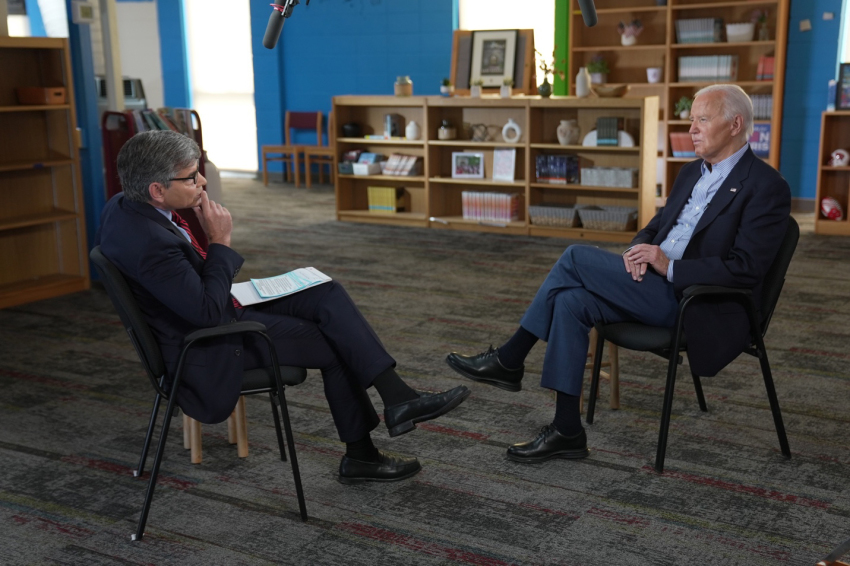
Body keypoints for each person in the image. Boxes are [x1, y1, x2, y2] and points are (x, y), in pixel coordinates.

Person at [96, 130, 470, 484]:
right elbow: (207, 313)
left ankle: (398, 397)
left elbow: (189, 293)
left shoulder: (124, 205)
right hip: (209, 345)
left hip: (207, 311)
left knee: (325, 291)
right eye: (192, 178)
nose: (203, 183)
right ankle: (362, 454)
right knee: (335, 343)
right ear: (157, 190)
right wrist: (220, 241)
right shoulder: (150, 245)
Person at [446, 84, 791, 463]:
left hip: (695, 301)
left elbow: (746, 268)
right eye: (691, 120)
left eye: (702, 120)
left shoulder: (767, 187)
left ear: (735, 124)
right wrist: (637, 252)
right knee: (571, 301)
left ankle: (510, 359)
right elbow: (655, 227)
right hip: (651, 284)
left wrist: (668, 265)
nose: (691, 128)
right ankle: (567, 430)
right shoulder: (691, 172)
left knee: (574, 256)